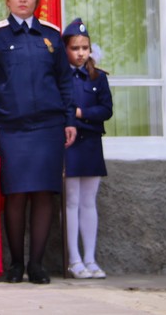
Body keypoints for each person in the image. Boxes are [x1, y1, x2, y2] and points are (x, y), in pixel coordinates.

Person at [0, 0, 76, 285]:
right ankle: (16, 264)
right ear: (8, 0)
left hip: (47, 128)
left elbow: (64, 80)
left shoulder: (51, 35)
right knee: (16, 194)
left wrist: (69, 118)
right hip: (11, 129)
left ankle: (38, 264)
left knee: (44, 194)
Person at [62, 18, 112, 280]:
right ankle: (74, 259)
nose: (81, 53)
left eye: (85, 47)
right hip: (69, 145)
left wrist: (81, 113)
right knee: (71, 202)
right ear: (66, 50)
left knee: (89, 201)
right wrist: (75, 116)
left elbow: (106, 110)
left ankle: (91, 258)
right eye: (75, 48)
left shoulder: (98, 77)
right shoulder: (61, 78)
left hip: (91, 143)